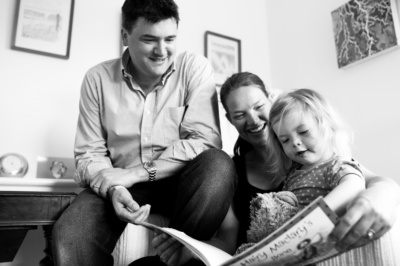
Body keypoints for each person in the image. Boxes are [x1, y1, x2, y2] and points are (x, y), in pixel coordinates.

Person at [146, 72, 400, 266]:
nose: (253, 120)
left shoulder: (310, 154)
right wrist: (189, 252)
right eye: (240, 115)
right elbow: (227, 239)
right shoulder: (231, 171)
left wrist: (380, 197)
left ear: (271, 100)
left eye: (258, 107)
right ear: (230, 120)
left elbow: (366, 178)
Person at [51, 0, 237, 265]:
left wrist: (137, 172)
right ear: (125, 37)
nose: (162, 51)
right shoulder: (97, 79)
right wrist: (116, 187)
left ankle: (175, 257)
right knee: (72, 234)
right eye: (150, 40)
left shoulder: (194, 68)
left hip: (181, 182)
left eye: (170, 39)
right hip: (123, 185)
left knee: (219, 164)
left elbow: (205, 142)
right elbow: (89, 153)